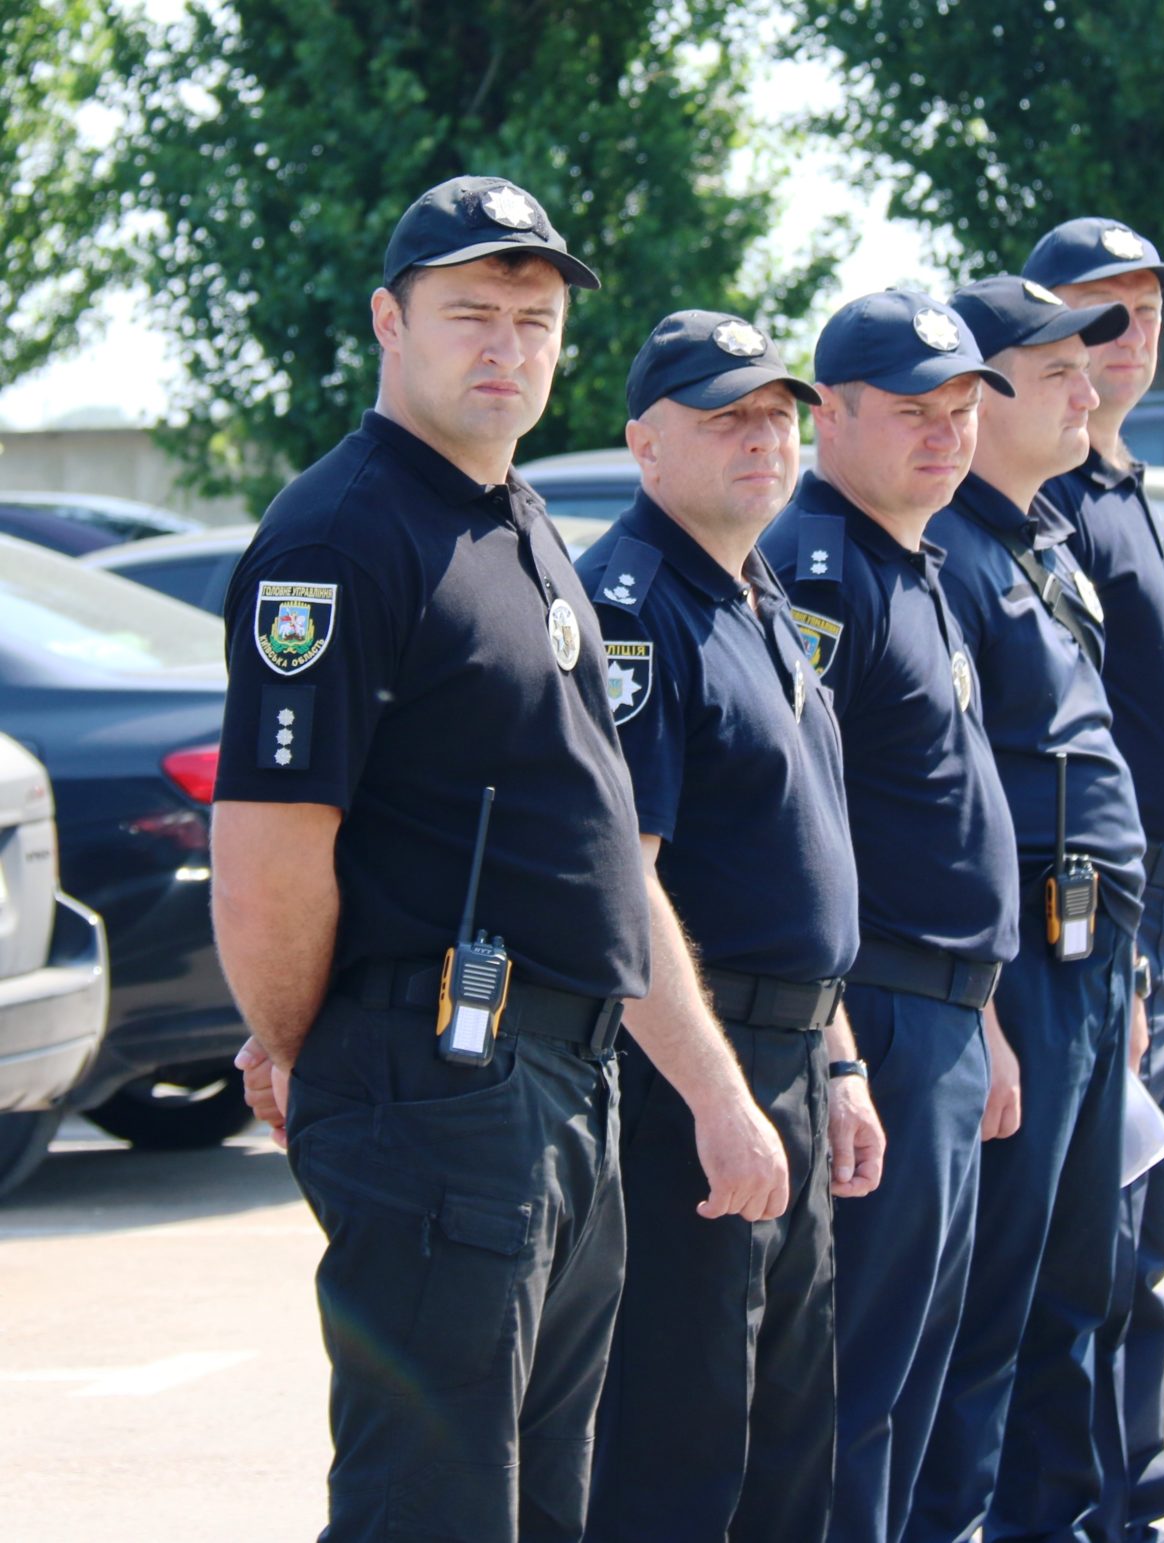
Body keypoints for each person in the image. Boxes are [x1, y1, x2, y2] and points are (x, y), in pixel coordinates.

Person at [215, 175, 780, 1543]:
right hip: (440, 1089)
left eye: (534, 323)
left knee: (536, 1506)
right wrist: (304, 1044)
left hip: (559, 1087)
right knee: (434, 1504)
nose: (506, 349)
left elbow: (599, 844)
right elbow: (271, 848)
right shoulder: (344, 536)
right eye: (471, 312)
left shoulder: (514, 521)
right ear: (388, 323)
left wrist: (712, 1087)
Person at [575, 311, 885, 1543]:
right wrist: (717, 1096)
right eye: (725, 418)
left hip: (792, 1054)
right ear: (646, 445)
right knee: (683, 1440)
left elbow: (793, 868)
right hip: (692, 1071)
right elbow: (623, 882)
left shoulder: (753, 593)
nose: (764, 438)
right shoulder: (635, 609)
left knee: (785, 1441)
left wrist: (840, 1062)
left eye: (777, 415)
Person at [761, 291, 1022, 1543]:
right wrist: (849, 1050)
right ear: (833, 415)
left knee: (921, 1369)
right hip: (881, 1022)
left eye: (963, 408)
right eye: (916, 410)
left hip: (947, 1017)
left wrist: (988, 1021)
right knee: (857, 1386)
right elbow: (798, 835)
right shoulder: (821, 574)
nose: (946, 433)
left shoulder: (912, 561)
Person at [908, 276, 1150, 1543]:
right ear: (982, 395)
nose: (1087, 390)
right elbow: (949, 805)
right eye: (1057, 372)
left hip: (1096, 955)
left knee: (1079, 1285)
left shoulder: (1043, 534)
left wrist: (1132, 972)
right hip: (1023, 968)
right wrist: (991, 1003)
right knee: (996, 1298)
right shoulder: (944, 556)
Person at [1024, 218, 1164, 1543]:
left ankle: (1132, 1496)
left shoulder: (1123, 482)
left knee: (1147, 1237)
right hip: (1111, 921)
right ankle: (1094, 1509)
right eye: (1102, 315)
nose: (1132, 335)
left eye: (1148, 310)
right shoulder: (1049, 504)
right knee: (1094, 1245)